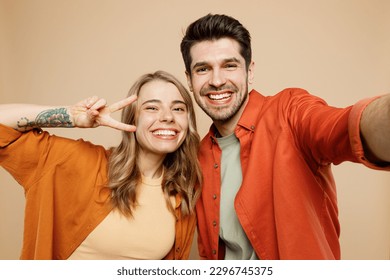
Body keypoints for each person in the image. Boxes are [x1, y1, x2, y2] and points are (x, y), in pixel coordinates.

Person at [180, 13, 390, 260]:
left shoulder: (290, 111)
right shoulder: (198, 157)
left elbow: (343, 125)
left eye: (230, 65)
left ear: (250, 71)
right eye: (203, 69)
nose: (216, 81)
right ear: (190, 80)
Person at [0, 70, 202, 260]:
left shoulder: (182, 192)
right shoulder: (79, 162)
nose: (167, 117)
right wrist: (71, 116)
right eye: (151, 107)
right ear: (132, 118)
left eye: (178, 108)